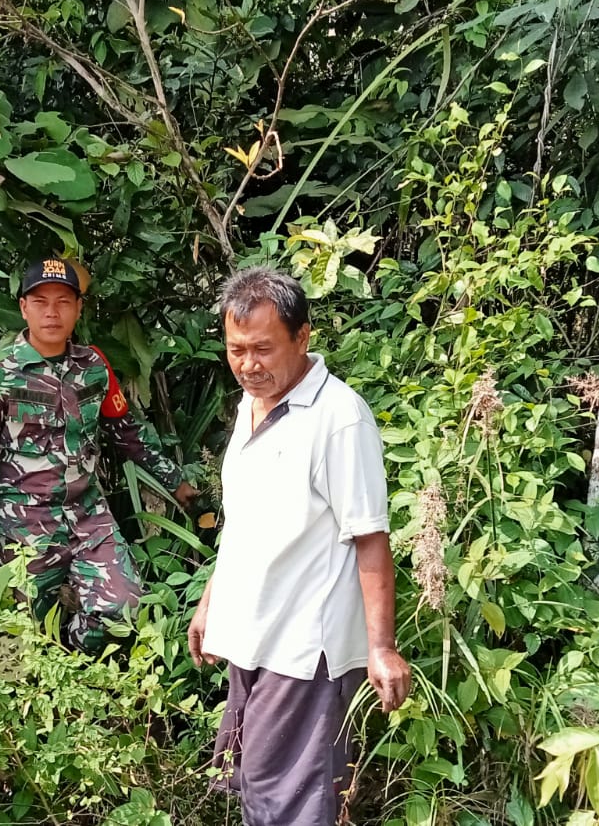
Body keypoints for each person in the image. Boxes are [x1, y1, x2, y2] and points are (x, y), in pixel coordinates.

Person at [189, 266, 411, 826]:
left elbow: (370, 537)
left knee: (291, 802)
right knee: (254, 787)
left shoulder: (338, 418)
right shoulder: (252, 405)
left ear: (303, 337)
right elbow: (245, 522)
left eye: (263, 348)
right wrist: (212, 603)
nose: (248, 365)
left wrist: (381, 647)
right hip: (254, 637)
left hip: (304, 653)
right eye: (236, 350)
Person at [0, 257, 198, 653]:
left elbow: (128, 434)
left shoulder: (94, 367)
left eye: (64, 301)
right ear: (23, 308)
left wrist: (177, 482)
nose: (52, 312)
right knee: (15, 640)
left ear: (78, 308)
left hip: (88, 518)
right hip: (23, 527)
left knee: (123, 609)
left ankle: (78, 662)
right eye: (40, 302)